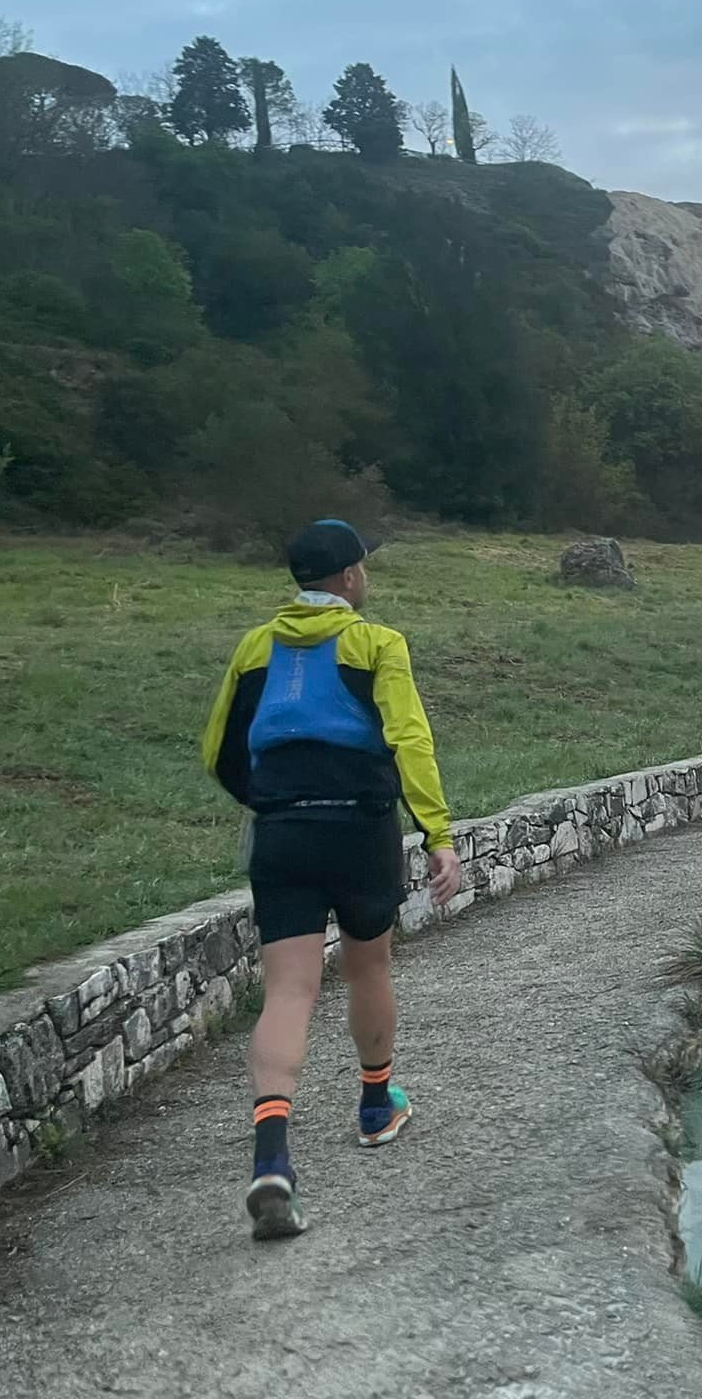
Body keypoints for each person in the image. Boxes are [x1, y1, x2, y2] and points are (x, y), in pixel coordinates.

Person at [201, 519, 462, 1241]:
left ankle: (272, 1157)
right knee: (367, 962)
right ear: (350, 577)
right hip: (360, 827)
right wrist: (436, 832)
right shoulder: (376, 644)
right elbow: (409, 737)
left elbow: (219, 747)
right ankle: (376, 1107)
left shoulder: (256, 647)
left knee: (288, 988)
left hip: (283, 830)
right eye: (364, 569)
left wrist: (270, 804)